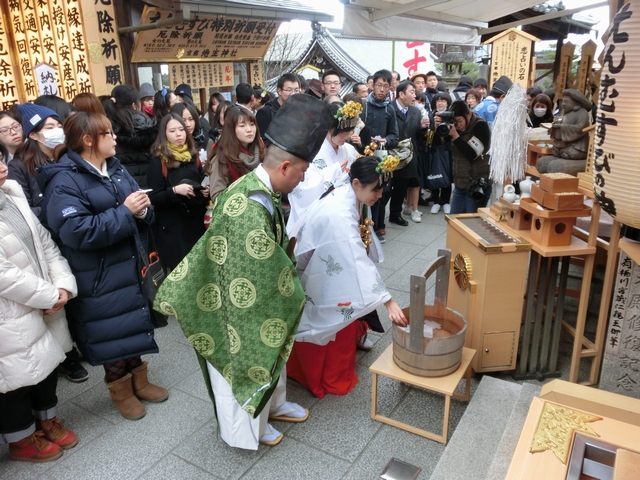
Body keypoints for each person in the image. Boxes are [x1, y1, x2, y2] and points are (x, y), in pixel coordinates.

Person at [153, 94, 334, 450]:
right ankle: (251, 425)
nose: (302, 179)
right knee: (248, 354)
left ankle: (275, 405)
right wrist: (291, 278)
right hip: (237, 306)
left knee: (272, 345)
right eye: (302, 172)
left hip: (256, 296)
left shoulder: (261, 188)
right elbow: (254, 276)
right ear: (284, 168)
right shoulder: (245, 207)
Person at [37, 112, 167, 420]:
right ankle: (119, 390)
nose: (115, 137)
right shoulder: (64, 180)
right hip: (98, 275)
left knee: (132, 326)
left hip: (129, 267)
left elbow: (141, 208)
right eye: (108, 133)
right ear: (88, 140)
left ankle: (140, 381)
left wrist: (143, 213)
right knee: (112, 333)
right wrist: (125, 213)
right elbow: (75, 231)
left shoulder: (116, 168)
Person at [287, 156, 408, 398]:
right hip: (309, 267)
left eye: (382, 188)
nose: (380, 194)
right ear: (355, 183)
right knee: (334, 310)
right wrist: (387, 300)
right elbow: (355, 260)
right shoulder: (340, 214)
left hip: (317, 257)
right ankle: (324, 376)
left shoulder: (347, 192)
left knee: (343, 302)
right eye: (375, 189)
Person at [0, 160, 79, 463]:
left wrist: (61, 286)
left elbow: (45, 244)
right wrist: (48, 295)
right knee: (15, 376)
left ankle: (47, 420)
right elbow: (4, 275)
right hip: (11, 308)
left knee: (48, 361)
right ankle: (20, 439)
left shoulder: (12, 194)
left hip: (44, 296)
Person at [147, 114, 209, 271]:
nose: (179, 134)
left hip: (196, 222)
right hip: (172, 228)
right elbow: (154, 196)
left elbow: (200, 180)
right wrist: (175, 191)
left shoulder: (192, 155)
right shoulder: (158, 159)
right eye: (172, 130)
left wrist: (205, 190)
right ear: (164, 134)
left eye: (181, 129)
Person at [288, 100, 360, 228]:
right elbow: (303, 187)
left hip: (347, 212)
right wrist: (333, 171)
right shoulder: (312, 151)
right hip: (323, 214)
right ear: (329, 127)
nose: (347, 135)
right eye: (343, 130)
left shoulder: (349, 150)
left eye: (349, 130)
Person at [8, 104, 65, 221]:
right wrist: (60, 210)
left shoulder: (69, 157)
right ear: (33, 135)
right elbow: (23, 209)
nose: (57, 131)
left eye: (59, 126)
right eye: (50, 128)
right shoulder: (19, 166)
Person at [362, 69, 399, 243]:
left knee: (379, 193)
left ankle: (376, 228)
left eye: (385, 86)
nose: (382, 89)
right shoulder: (363, 105)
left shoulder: (389, 109)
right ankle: (361, 226)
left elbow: (395, 136)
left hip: (381, 156)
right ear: (372, 85)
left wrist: (385, 140)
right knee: (362, 192)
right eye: (379, 85)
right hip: (362, 155)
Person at [435, 101, 491, 214]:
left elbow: (472, 154)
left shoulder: (480, 126)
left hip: (476, 184)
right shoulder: (454, 127)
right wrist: (437, 128)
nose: (458, 125)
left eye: (460, 121)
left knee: (470, 223)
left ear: (469, 114)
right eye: (455, 121)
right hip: (460, 183)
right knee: (454, 221)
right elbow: (436, 143)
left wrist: (455, 135)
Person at [387, 80, 429, 225]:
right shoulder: (388, 108)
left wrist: (423, 129)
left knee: (401, 187)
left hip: (408, 156)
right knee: (386, 188)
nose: (414, 96)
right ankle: (378, 220)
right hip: (390, 155)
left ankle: (395, 214)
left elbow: (416, 135)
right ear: (401, 94)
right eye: (412, 92)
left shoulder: (416, 112)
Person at [103, 85, 159, 189]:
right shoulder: (152, 126)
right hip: (154, 187)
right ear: (134, 105)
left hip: (123, 190)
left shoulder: (106, 129)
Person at [205, 106, 264, 201]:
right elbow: (217, 196)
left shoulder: (263, 151)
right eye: (242, 125)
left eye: (252, 124)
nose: (249, 129)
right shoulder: (222, 158)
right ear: (231, 129)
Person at [536, 89, 592, 175]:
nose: (563, 104)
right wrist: (556, 126)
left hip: (576, 146)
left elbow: (581, 128)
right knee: (541, 163)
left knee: (558, 165)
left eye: (566, 102)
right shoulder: (564, 112)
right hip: (562, 146)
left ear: (576, 104)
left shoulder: (582, 113)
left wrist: (562, 127)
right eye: (563, 102)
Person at [427, 92, 453, 214]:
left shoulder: (451, 116)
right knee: (435, 173)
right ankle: (436, 201)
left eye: (443, 101)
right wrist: (434, 125)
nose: (440, 103)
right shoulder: (431, 115)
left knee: (447, 174)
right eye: (438, 101)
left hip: (448, 148)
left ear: (447, 103)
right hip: (434, 148)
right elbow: (428, 138)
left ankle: (446, 201)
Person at [256, 73, 299, 142]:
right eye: (289, 90)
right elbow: (262, 140)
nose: (293, 93)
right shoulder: (266, 112)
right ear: (279, 91)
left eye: (296, 90)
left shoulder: (300, 110)